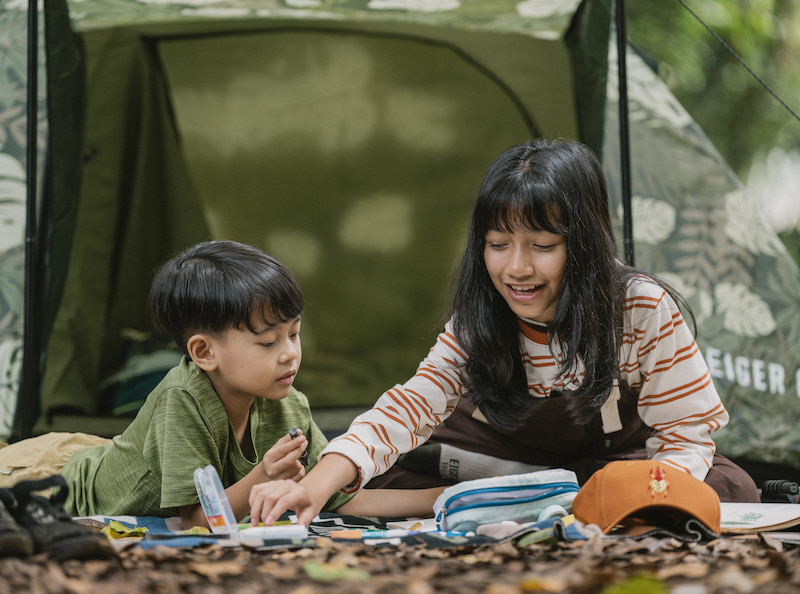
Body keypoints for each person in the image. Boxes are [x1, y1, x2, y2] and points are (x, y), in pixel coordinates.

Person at [248, 138, 760, 528]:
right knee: (357, 467)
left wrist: (652, 500)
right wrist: (315, 488)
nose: (516, 268)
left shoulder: (640, 308)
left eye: (540, 245)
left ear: (582, 244)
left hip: (613, 465)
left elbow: (684, 434)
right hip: (499, 454)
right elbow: (409, 408)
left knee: (730, 485)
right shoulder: (481, 317)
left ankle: (543, 498)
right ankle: (549, 497)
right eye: (497, 243)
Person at [0, 240, 441, 530]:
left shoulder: (289, 406)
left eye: (295, 333)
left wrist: (440, 499)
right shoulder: (184, 399)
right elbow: (195, 518)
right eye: (268, 341)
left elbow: (333, 499)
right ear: (204, 352)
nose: (289, 353)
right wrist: (264, 475)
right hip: (54, 475)